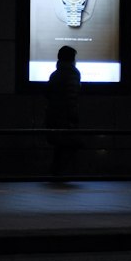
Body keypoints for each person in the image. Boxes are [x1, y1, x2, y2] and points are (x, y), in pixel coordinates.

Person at [44, 44, 83, 182]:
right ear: (72, 59)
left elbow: (47, 94)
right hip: (67, 118)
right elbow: (72, 98)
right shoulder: (73, 73)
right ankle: (64, 176)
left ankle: (56, 175)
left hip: (53, 117)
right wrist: (74, 118)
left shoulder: (54, 75)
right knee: (68, 148)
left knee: (59, 148)